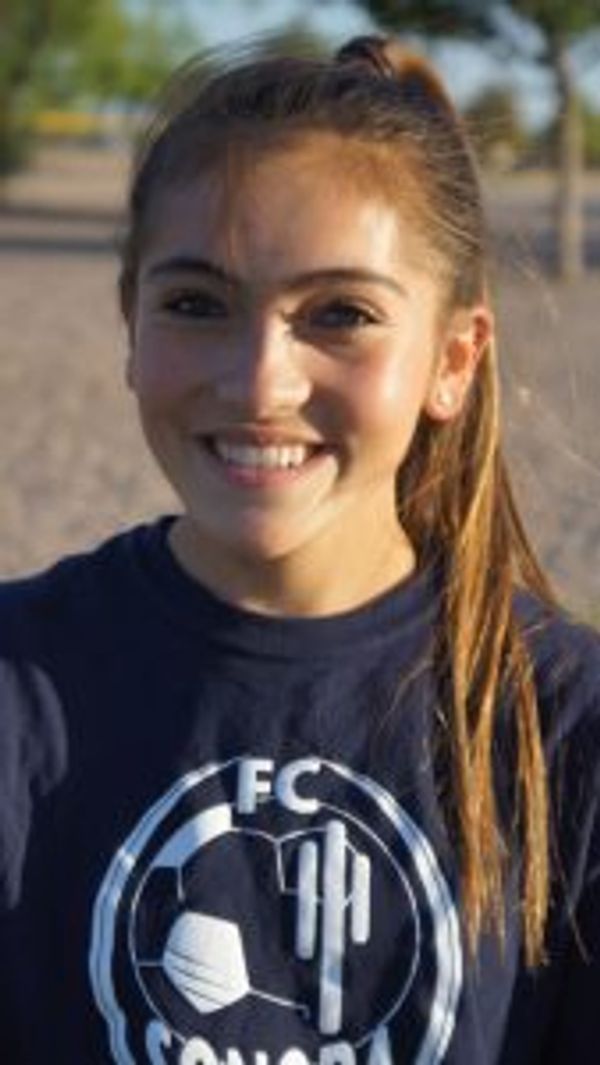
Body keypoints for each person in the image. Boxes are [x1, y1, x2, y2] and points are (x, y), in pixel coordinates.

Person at [0, 34, 598, 1065]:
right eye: (197, 304)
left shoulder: (563, 721)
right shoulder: (21, 682)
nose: (259, 383)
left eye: (341, 314)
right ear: (132, 326)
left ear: (453, 360)